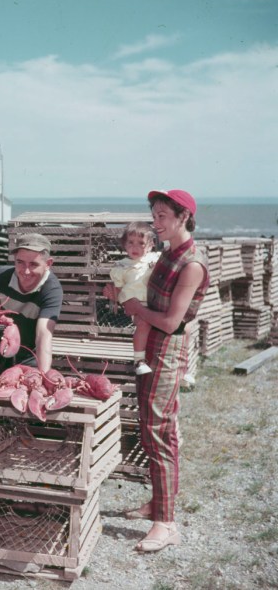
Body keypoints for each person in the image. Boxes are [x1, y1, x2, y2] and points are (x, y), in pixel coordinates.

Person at [106, 189, 209, 553]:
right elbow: (140, 286)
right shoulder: (165, 253)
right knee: (154, 428)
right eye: (154, 214)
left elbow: (169, 320)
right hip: (150, 349)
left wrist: (133, 307)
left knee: (160, 431)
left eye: (163, 215)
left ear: (184, 218)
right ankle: (159, 502)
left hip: (166, 349)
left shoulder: (191, 264)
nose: (155, 222)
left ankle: (166, 524)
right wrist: (117, 288)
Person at [0, 233, 63, 373]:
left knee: (31, 379)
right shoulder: (0, 276)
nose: (26, 271)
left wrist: (43, 375)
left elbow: (43, 335)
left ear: (48, 264)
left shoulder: (52, 290)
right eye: (20, 262)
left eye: (33, 264)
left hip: (29, 346)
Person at [109, 221, 160, 376]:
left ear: (150, 245)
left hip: (156, 303)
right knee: (143, 324)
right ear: (124, 244)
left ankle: (181, 366)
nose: (135, 247)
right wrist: (115, 297)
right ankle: (139, 360)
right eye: (130, 243)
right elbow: (117, 289)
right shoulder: (122, 267)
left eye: (141, 243)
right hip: (136, 304)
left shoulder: (155, 259)